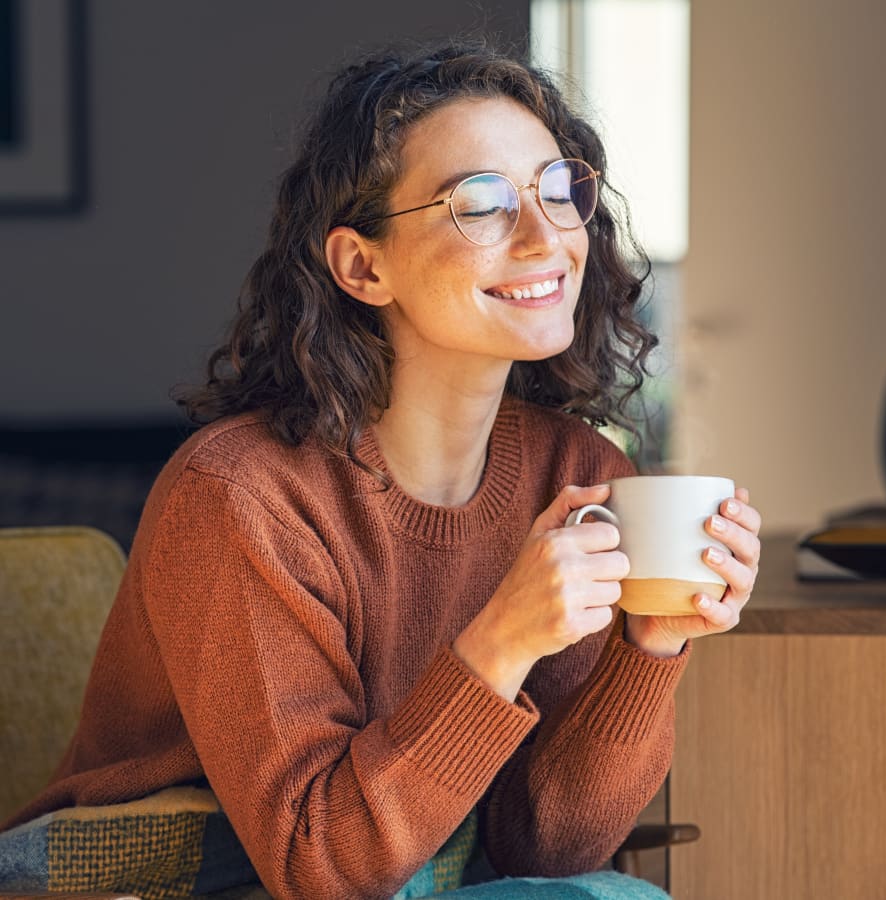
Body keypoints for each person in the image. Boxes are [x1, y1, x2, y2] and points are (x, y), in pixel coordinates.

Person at [2, 41, 761, 899]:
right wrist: (500, 641)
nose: (545, 234)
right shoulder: (242, 497)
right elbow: (316, 867)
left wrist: (648, 646)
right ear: (363, 267)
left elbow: (542, 851)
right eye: (481, 204)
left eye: (559, 189)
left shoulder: (578, 474)